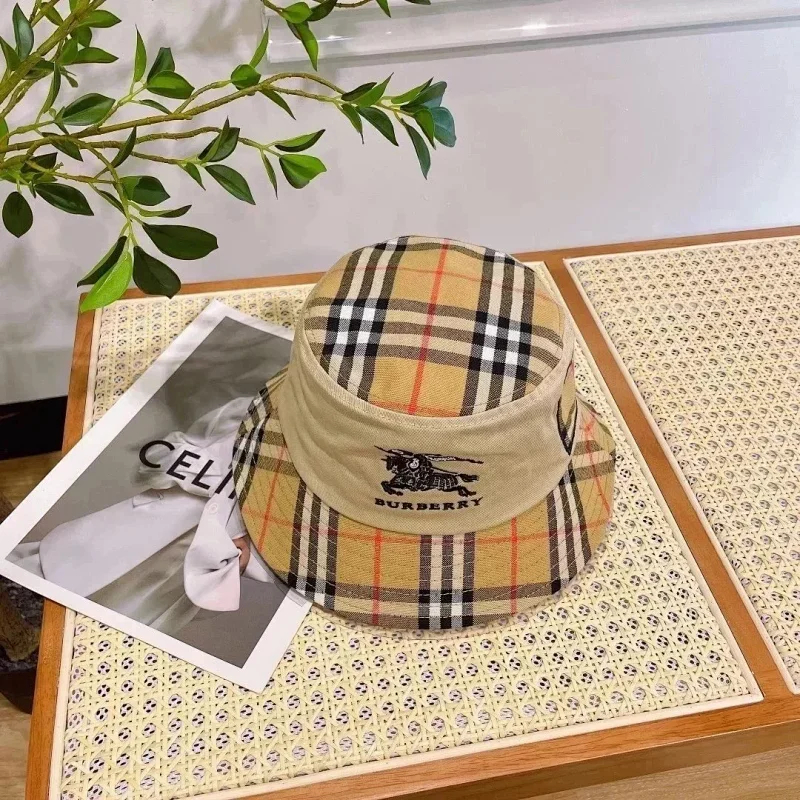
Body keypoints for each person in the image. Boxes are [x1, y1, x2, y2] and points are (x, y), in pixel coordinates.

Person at [10, 397, 273, 636]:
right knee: (28, 588)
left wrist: (242, 553)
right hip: (127, 532)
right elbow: (156, 459)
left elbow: (274, 565)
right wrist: (216, 481)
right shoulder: (250, 411)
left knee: (81, 640)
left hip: (173, 584)